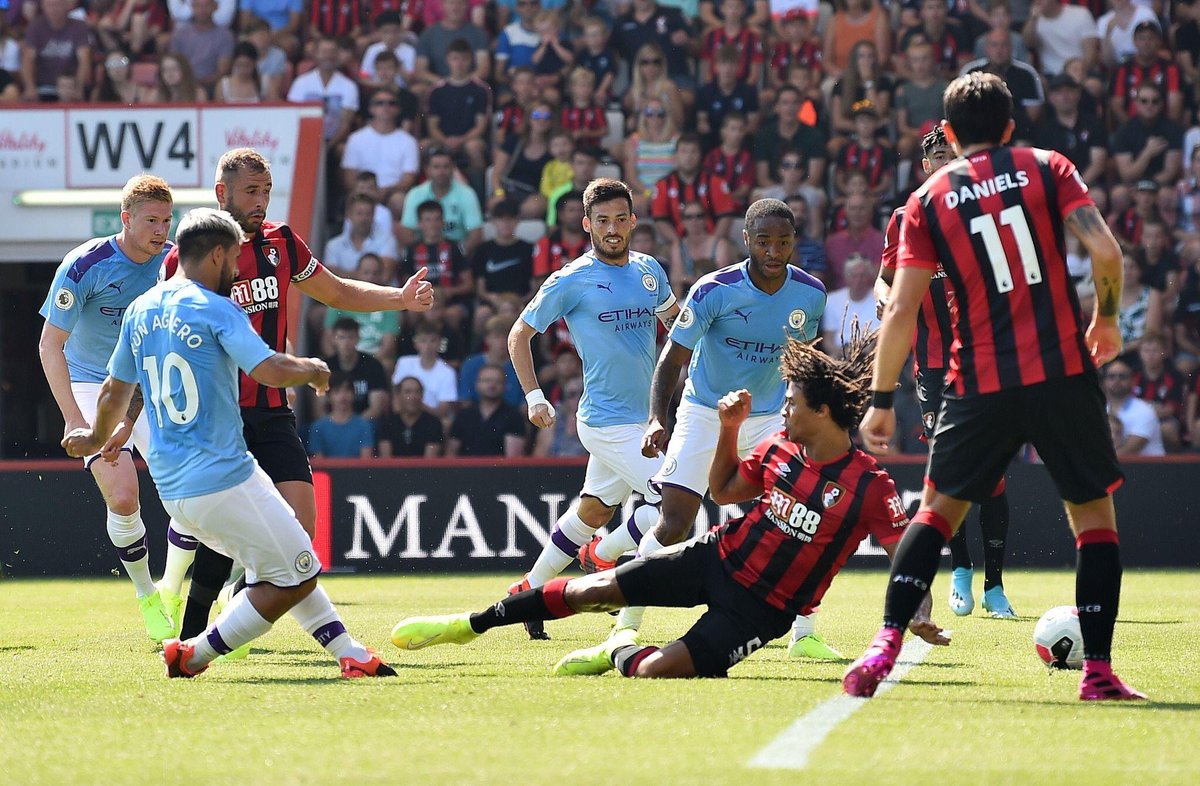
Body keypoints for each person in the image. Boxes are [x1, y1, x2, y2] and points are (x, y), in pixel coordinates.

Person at [390, 333, 948, 677]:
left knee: (657, 670)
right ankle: (470, 624)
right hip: (715, 559)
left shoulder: (869, 485)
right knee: (590, 590)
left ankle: (618, 652)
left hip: (761, 611)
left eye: (792, 404)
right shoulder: (780, 448)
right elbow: (724, 492)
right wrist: (729, 429)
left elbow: (908, 558)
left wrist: (917, 609)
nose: (782, 413)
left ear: (823, 412)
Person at [845, 73, 1145, 701]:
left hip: (979, 380)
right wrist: (1108, 320)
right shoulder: (1048, 167)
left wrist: (880, 399)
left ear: (951, 136)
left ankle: (884, 645)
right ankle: (1097, 673)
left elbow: (899, 308)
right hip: (1062, 371)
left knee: (936, 513)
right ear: (1010, 127)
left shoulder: (928, 200)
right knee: (1093, 520)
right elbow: (1107, 253)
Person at [63, 207, 394, 680]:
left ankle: (350, 653)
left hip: (172, 486)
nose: (238, 269)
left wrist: (95, 437)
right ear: (217, 254)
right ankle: (194, 654)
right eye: (236, 258)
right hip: (222, 475)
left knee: (291, 561)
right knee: (297, 570)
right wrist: (312, 370)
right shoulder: (217, 308)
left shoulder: (142, 309)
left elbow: (115, 390)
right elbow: (269, 369)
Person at [158, 148, 434, 649]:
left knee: (300, 530)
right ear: (222, 193)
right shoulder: (191, 256)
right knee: (228, 527)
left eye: (266, 190)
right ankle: (196, 630)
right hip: (220, 414)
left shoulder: (281, 242)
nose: (261, 201)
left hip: (271, 410)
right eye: (251, 191)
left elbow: (336, 292)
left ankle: (230, 613)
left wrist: (399, 298)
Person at [578, 197, 831, 656]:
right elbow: (672, 358)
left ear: (795, 241)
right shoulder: (714, 289)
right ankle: (625, 626)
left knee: (802, 516)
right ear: (746, 240)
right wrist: (658, 417)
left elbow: (805, 360)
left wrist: (812, 416)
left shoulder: (810, 293)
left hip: (769, 418)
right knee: (674, 523)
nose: (774, 252)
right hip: (704, 413)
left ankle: (804, 635)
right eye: (764, 242)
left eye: (783, 242)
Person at [505, 178, 679, 639]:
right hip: (605, 421)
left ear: (633, 221)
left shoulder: (650, 270)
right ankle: (602, 557)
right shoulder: (571, 279)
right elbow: (519, 335)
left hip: (645, 419)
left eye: (621, 219)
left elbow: (675, 324)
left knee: (594, 512)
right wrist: (534, 396)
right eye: (603, 221)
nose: (613, 228)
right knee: (674, 502)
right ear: (587, 224)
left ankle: (528, 591)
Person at [38, 174, 186, 642]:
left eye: (167, 220)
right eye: (151, 220)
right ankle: (146, 594)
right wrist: (74, 419)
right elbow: (49, 345)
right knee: (123, 497)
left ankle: (172, 588)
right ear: (126, 218)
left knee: (189, 497)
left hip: (151, 384)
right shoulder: (85, 265)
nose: (161, 230)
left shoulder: (175, 264)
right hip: (92, 384)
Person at [875, 127, 1014, 618]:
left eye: (952, 153)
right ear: (925, 165)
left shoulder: (984, 212)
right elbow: (886, 278)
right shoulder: (905, 218)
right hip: (933, 366)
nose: (946, 161)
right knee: (949, 468)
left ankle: (995, 585)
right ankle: (960, 569)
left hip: (984, 356)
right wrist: (882, 296)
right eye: (937, 155)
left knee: (992, 472)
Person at [446, 364, 528, 456]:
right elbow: (451, 453)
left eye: (498, 381)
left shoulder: (513, 417)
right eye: (487, 380)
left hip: (499, 465)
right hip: (466, 465)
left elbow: (513, 457)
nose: (492, 385)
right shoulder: (464, 415)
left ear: (505, 386)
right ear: (477, 384)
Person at [325, 318, 389, 420]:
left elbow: (375, 408)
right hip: (331, 423)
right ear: (333, 339)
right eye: (341, 337)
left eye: (350, 337)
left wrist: (354, 425)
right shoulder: (325, 367)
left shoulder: (373, 365)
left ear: (358, 338)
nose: (346, 343)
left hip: (365, 423)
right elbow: (319, 409)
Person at [1103, 359, 1166, 456]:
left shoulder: (1144, 411)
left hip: (1148, 465)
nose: (1116, 381)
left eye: (1122, 376)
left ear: (1133, 381)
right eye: (1111, 376)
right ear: (1104, 382)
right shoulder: (1099, 409)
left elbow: (1128, 450)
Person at [376, 377, 445, 457]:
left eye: (417, 392)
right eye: (407, 392)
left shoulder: (433, 423)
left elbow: (429, 461)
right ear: (398, 396)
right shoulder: (388, 423)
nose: (413, 397)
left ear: (422, 395)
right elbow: (386, 460)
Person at [307, 377, 375, 458]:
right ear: (329, 397)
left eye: (347, 390)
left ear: (353, 394)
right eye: (337, 391)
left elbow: (366, 461)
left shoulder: (364, 425)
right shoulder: (318, 427)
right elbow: (318, 461)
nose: (343, 396)